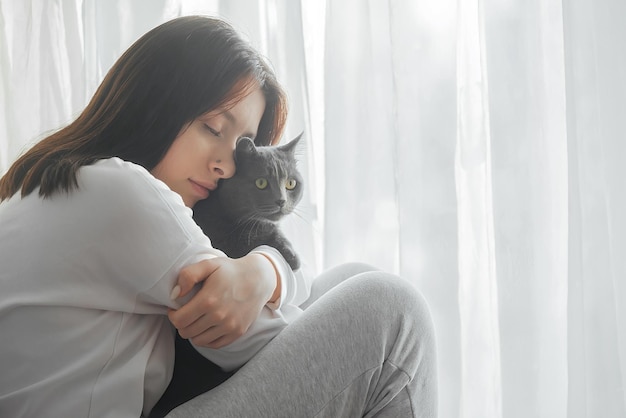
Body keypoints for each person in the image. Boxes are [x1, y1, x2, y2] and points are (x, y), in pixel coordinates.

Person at [0, 15, 437, 418]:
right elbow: (267, 341)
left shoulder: (53, 182)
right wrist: (267, 271)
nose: (226, 167)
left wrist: (266, 270)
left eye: (241, 145)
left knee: (348, 280)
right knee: (390, 309)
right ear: (156, 103)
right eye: (213, 129)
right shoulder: (124, 195)